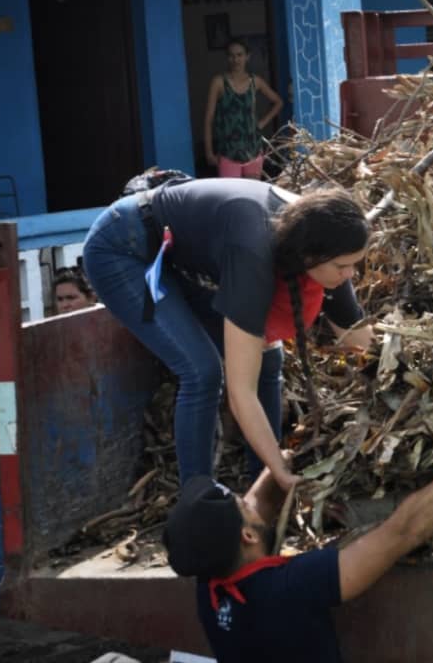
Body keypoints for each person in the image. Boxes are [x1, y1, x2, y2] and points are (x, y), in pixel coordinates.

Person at [82, 178, 375, 490]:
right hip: (122, 247)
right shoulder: (254, 251)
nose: (349, 276)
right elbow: (241, 392)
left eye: (354, 266)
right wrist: (281, 470)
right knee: (202, 371)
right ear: (309, 257)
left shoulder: (326, 240)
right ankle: (199, 499)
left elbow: (360, 341)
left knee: (269, 359)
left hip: (174, 255)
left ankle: (259, 487)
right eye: (344, 267)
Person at [163, 435, 433, 663]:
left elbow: (258, 504)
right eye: (242, 505)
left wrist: (283, 462)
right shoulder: (292, 586)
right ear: (248, 538)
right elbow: (403, 531)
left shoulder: (209, 590)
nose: (249, 500)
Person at [204, 38, 284, 179]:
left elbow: (278, 102)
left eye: (240, 55)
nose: (236, 60)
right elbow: (209, 119)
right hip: (228, 150)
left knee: (252, 193)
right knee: (231, 194)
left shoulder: (255, 82)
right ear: (227, 57)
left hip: (252, 149)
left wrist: (261, 123)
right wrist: (209, 152)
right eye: (231, 55)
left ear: (248, 56)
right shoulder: (219, 82)